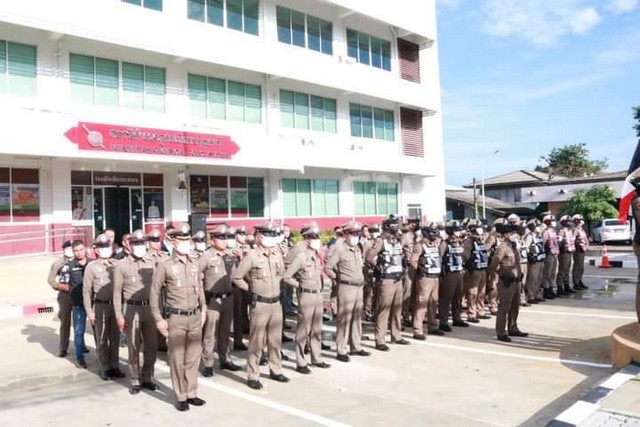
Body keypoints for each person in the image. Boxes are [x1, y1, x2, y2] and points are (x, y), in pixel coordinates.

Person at [150, 223, 207, 412]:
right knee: (177, 357)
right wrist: (158, 318)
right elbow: (154, 293)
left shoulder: (195, 263)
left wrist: (204, 308)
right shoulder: (165, 265)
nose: (186, 244)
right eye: (181, 240)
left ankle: (191, 393)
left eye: (187, 240)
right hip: (176, 318)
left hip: (195, 316)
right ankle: (180, 395)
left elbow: (199, 288)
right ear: (174, 243)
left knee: (193, 357)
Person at [232, 222, 289, 390]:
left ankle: (275, 369)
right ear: (259, 237)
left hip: (275, 303)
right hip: (260, 304)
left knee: (275, 340)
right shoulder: (252, 256)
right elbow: (237, 278)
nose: (271, 239)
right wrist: (251, 289)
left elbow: (281, 274)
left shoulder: (276, 255)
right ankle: (253, 374)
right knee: (257, 341)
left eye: (273, 235)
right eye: (268, 235)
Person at [113, 230, 158, 394]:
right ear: (129, 245)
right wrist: (119, 315)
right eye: (136, 243)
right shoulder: (122, 265)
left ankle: (148, 377)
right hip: (131, 308)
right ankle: (135, 379)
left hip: (150, 309)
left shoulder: (153, 262)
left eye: (141, 243)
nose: (139, 246)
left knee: (151, 346)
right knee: (133, 345)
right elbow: (117, 293)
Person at [282, 225, 331, 374]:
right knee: (303, 329)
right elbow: (286, 276)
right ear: (307, 240)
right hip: (306, 295)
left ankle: (316, 358)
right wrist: (299, 285)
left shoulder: (316, 258)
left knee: (316, 329)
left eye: (317, 237)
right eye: (313, 238)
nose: (317, 240)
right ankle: (300, 361)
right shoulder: (301, 257)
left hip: (317, 295)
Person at [324, 221, 371, 362]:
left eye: (358, 233)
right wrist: (339, 278)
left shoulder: (357, 248)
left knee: (357, 317)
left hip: (358, 287)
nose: (356, 236)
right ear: (346, 235)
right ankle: (341, 349)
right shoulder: (339, 249)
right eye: (353, 234)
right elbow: (328, 267)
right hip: (346, 287)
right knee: (345, 318)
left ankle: (355, 346)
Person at [200, 225, 241, 377]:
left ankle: (225, 359)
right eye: (221, 238)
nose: (224, 241)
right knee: (210, 333)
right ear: (212, 239)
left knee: (225, 331)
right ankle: (208, 363)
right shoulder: (205, 256)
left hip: (228, 297)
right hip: (213, 299)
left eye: (226, 238)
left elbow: (235, 277)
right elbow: (197, 275)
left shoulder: (229, 255)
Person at [83, 234, 124, 381]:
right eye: (101, 247)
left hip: (116, 306)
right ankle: (104, 367)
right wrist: (90, 311)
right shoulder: (92, 267)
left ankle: (115, 365)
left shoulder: (117, 265)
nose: (105, 249)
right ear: (97, 250)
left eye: (107, 246)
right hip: (100, 306)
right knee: (102, 338)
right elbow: (86, 291)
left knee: (115, 338)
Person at [366, 215, 410, 351]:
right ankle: (380, 339)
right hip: (386, 279)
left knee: (397, 309)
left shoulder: (396, 240)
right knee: (384, 309)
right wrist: (378, 267)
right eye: (393, 225)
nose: (396, 227)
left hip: (398, 278)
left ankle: (396, 335)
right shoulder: (381, 241)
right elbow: (369, 256)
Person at [487, 219, 528, 342]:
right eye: (512, 233)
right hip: (507, 281)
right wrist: (499, 273)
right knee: (504, 306)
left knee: (515, 306)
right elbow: (495, 263)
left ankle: (513, 327)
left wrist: (520, 275)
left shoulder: (514, 246)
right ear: (506, 235)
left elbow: (517, 262)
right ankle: (501, 331)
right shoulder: (502, 247)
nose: (515, 234)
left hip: (516, 280)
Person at [410, 222, 444, 339]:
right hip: (425, 277)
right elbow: (413, 261)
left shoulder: (434, 245)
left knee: (434, 302)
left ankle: (433, 326)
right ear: (425, 233)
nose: (434, 234)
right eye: (431, 232)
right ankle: (417, 329)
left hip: (435, 277)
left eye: (435, 232)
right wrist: (420, 270)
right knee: (421, 304)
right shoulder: (420, 245)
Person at [438, 220, 469, 332]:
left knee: (458, 297)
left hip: (459, 272)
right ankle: (443, 321)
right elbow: (440, 258)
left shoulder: (459, 243)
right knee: (446, 298)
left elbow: (464, 257)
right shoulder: (444, 243)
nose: (458, 232)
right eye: (456, 230)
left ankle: (457, 318)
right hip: (449, 273)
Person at [47, 240, 74, 357]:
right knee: (65, 322)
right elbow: (50, 280)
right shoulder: (58, 263)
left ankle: (81, 345)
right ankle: (63, 347)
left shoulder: (81, 260)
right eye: (66, 248)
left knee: (80, 322)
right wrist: (60, 286)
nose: (69, 250)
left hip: (79, 294)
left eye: (71, 248)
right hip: (65, 295)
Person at [68, 240, 91, 368]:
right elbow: (65, 284)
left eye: (81, 249)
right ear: (73, 252)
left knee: (99, 332)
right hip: (78, 305)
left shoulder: (93, 263)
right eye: (76, 251)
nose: (79, 252)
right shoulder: (70, 266)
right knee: (78, 332)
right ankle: (79, 358)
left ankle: (102, 356)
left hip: (93, 305)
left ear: (85, 249)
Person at [462, 219, 489, 323]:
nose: (481, 229)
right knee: (473, 292)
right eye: (478, 227)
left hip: (482, 268)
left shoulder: (480, 240)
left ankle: (480, 310)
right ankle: (471, 313)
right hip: (474, 270)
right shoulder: (469, 241)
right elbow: (465, 255)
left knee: (481, 292)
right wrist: (468, 265)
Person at [232, 225, 251, 351]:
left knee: (244, 308)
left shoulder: (248, 247)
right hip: (234, 283)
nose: (243, 237)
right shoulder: (232, 249)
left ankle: (244, 329)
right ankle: (237, 339)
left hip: (246, 281)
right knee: (237, 312)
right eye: (240, 234)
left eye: (244, 234)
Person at [401, 218, 420, 326]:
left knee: (416, 292)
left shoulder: (417, 235)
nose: (415, 225)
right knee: (407, 292)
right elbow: (399, 249)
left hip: (418, 266)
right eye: (413, 223)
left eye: (416, 223)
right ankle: (405, 316)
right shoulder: (405, 236)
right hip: (409, 267)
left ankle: (414, 315)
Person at [524, 219, 546, 303]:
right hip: (534, 261)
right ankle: (531, 295)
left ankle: (537, 294)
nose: (538, 228)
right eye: (537, 226)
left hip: (541, 259)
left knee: (539, 278)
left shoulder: (538, 236)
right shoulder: (530, 236)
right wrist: (530, 255)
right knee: (532, 278)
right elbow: (526, 247)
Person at [361, 224, 379, 321]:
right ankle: (368, 311)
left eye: (376, 230)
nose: (374, 233)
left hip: (379, 270)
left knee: (377, 292)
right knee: (370, 292)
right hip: (370, 270)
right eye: (372, 231)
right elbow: (364, 258)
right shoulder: (367, 244)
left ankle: (375, 311)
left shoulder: (380, 242)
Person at [556, 215, 576, 295]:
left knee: (567, 270)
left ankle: (566, 285)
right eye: (567, 221)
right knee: (562, 270)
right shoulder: (562, 231)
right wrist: (562, 246)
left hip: (569, 252)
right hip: (564, 253)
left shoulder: (569, 231)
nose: (569, 222)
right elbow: (559, 241)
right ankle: (560, 287)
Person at [541, 214, 560, 299]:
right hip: (549, 254)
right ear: (548, 222)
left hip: (555, 254)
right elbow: (544, 244)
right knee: (547, 273)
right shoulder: (546, 232)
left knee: (553, 273)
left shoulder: (553, 231)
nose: (554, 222)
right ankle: (546, 289)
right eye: (552, 221)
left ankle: (551, 288)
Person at [572, 214, 589, 291]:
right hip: (578, 250)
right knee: (577, 266)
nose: (582, 221)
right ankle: (576, 282)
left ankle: (580, 280)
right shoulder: (576, 229)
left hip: (582, 249)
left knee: (581, 267)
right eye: (580, 220)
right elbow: (572, 239)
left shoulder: (581, 229)